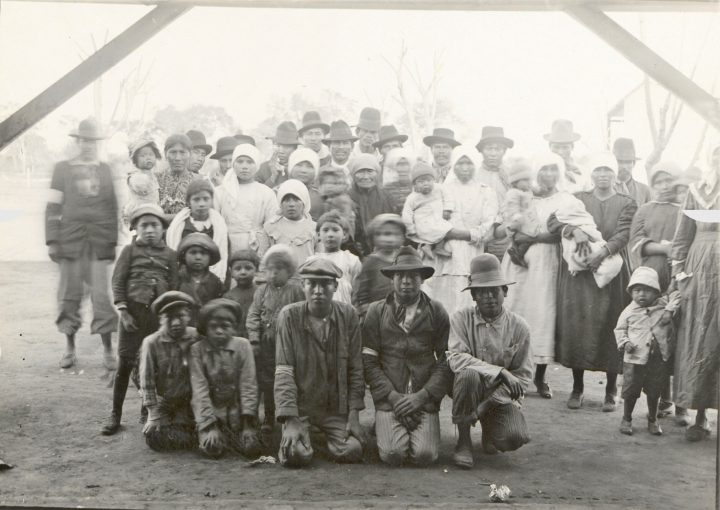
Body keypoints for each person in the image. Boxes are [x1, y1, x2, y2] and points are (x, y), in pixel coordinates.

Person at [548, 153, 637, 412]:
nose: (603, 175)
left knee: (611, 325)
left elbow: (625, 232)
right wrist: (573, 230)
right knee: (579, 327)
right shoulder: (577, 198)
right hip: (580, 271)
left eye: (607, 170)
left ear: (615, 173)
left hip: (611, 271)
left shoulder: (626, 202)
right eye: (598, 170)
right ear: (591, 173)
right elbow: (553, 220)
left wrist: (604, 251)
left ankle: (610, 390)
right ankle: (577, 387)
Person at [362, 247, 451, 466]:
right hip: (389, 397)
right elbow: (369, 362)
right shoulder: (376, 311)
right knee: (393, 454)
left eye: (413, 276)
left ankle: (403, 427)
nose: (406, 281)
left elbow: (445, 361)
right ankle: (383, 423)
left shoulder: (437, 311)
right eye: (400, 275)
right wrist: (393, 397)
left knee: (425, 455)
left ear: (422, 279)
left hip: (423, 398)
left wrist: (422, 397)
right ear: (392, 279)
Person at [274, 258, 365, 467]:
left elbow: (356, 369)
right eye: (312, 283)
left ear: (335, 286)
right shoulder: (289, 316)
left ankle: (318, 439)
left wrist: (353, 415)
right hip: (301, 408)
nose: (318, 291)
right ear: (302, 285)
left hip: (334, 409)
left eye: (325, 284)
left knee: (353, 450)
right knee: (296, 455)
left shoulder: (348, 315)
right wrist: (291, 419)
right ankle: (304, 435)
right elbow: (284, 371)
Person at [501, 154, 576, 398]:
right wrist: (516, 242)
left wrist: (530, 237)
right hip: (521, 262)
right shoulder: (524, 194)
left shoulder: (566, 199)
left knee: (543, 315)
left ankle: (540, 376)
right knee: (517, 311)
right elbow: (510, 221)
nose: (548, 175)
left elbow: (561, 232)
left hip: (548, 260)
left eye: (553, 169)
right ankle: (512, 375)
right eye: (543, 169)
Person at [46, 118, 119, 370]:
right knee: (69, 296)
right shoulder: (62, 169)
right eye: (85, 140)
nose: (88, 145)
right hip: (70, 242)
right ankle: (70, 348)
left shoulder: (105, 170)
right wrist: (53, 240)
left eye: (93, 141)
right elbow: (53, 207)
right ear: (78, 141)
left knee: (101, 297)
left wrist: (111, 243)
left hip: (98, 244)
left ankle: (108, 350)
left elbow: (112, 208)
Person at [447, 254, 532, 469]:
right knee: (468, 374)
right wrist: (500, 371)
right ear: (473, 295)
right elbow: (456, 358)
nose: (489, 297)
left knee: (514, 437)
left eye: (494, 290)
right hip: (467, 387)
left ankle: (489, 429)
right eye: (481, 291)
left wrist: (485, 407)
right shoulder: (460, 318)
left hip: (499, 397)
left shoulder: (519, 326)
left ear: (505, 291)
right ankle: (463, 441)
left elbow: (522, 377)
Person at [103, 204, 180, 436]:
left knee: (154, 364)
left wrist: (167, 319)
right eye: (144, 226)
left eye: (154, 225)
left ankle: (147, 408)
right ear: (135, 228)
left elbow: (174, 285)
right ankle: (115, 413)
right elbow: (118, 282)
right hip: (133, 316)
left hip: (158, 318)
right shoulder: (129, 251)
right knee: (125, 364)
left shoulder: (171, 255)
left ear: (163, 228)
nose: (149, 230)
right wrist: (124, 311)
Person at [671, 142, 720, 442]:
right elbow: (682, 236)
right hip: (701, 272)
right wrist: (679, 275)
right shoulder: (697, 192)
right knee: (701, 340)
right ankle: (700, 417)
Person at [424, 147, 500, 317]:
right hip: (445, 255)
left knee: (468, 301)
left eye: (469, 163)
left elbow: (488, 226)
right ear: (454, 165)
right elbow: (432, 221)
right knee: (443, 300)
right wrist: (447, 234)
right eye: (460, 163)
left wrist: (464, 234)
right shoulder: (441, 190)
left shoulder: (486, 191)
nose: (465, 167)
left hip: (472, 251)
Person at [189, 299, 261, 459]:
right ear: (205, 328)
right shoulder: (197, 350)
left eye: (225, 326)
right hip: (212, 413)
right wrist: (209, 427)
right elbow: (199, 390)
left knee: (252, 449)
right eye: (213, 326)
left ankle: (244, 429)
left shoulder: (243, 346)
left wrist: (248, 425)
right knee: (212, 449)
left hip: (239, 413)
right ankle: (209, 431)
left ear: (234, 327)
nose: (219, 331)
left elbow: (248, 384)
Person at [246, 245, 305, 434]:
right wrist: (254, 340)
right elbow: (253, 315)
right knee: (267, 381)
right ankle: (269, 417)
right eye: (269, 270)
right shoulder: (261, 291)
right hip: (266, 345)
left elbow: (302, 316)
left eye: (278, 270)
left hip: (288, 344)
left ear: (289, 271)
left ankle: (290, 416)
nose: (273, 274)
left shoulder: (296, 291)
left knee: (288, 378)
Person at [615, 267, 679, 436]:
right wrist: (625, 342)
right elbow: (619, 330)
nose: (642, 295)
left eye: (647, 290)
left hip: (657, 358)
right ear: (631, 292)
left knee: (654, 391)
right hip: (634, 359)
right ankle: (626, 418)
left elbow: (676, 295)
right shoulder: (629, 311)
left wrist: (669, 310)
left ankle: (652, 419)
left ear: (656, 292)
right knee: (631, 390)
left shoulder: (662, 304)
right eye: (637, 290)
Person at [139, 291, 198, 451]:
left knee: (190, 437)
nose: (176, 323)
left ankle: (182, 422)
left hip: (188, 399)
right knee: (155, 437)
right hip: (163, 400)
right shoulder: (151, 342)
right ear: (161, 319)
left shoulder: (195, 336)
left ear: (188, 316)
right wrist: (153, 414)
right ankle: (148, 415)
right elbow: (147, 380)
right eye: (169, 318)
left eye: (180, 316)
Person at [213, 144, 277, 256]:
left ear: (257, 164)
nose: (244, 166)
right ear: (234, 164)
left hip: (257, 246)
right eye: (240, 161)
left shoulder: (266, 193)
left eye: (249, 162)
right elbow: (215, 222)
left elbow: (272, 225)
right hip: (227, 245)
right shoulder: (220, 192)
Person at [166, 179, 229, 281]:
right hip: (184, 278)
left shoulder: (218, 227)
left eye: (206, 199)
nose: (201, 204)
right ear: (188, 202)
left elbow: (224, 256)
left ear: (212, 200)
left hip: (211, 278)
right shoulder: (180, 226)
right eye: (196, 199)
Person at [352, 214, 406, 317]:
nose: (389, 239)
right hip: (377, 312)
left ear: (402, 237)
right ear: (374, 237)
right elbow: (362, 289)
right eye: (384, 234)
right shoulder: (371, 262)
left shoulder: (404, 260)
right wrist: (365, 308)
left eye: (396, 234)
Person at [476, 126, 514, 261]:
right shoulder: (474, 176)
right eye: (489, 148)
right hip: (479, 235)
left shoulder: (512, 175)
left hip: (505, 236)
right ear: (482, 150)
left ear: (504, 151)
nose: (493, 153)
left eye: (497, 149)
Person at [402, 162, 454, 259]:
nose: (426, 184)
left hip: (437, 218)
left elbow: (448, 197)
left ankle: (435, 247)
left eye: (428, 180)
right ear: (414, 184)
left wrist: (447, 209)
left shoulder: (439, 188)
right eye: (421, 182)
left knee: (447, 228)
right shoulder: (412, 197)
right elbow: (406, 214)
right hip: (422, 222)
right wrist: (411, 229)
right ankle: (428, 246)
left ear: (434, 180)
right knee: (440, 230)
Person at [348, 154, 396, 255]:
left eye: (370, 171)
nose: (366, 177)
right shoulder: (346, 197)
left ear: (377, 173)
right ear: (353, 175)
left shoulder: (386, 197)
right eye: (360, 171)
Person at [310, 211, 361, 305]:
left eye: (335, 230)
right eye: (325, 230)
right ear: (318, 235)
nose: (330, 234)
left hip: (344, 308)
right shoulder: (312, 261)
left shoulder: (351, 260)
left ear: (344, 234)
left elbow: (357, 291)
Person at [264, 179, 317, 267]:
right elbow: (263, 260)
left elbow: (320, 259)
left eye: (296, 199)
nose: (291, 204)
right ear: (280, 204)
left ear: (304, 202)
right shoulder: (270, 227)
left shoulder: (314, 228)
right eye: (286, 200)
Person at [177, 233, 224, 321]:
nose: (198, 257)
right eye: (193, 252)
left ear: (210, 257)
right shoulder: (177, 279)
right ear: (184, 255)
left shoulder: (215, 282)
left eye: (203, 253)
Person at [157, 134, 200, 216]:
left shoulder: (198, 183)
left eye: (182, 152)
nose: (178, 158)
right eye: (173, 152)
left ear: (190, 154)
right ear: (165, 154)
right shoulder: (156, 180)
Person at [123, 138, 161, 227]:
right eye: (143, 156)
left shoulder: (153, 175)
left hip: (152, 209)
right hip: (139, 211)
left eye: (151, 154)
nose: (148, 158)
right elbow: (140, 185)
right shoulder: (137, 177)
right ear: (135, 161)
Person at [223, 249, 261, 338]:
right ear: (231, 272)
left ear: (256, 270)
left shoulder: (262, 293)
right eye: (238, 268)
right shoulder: (228, 297)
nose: (243, 272)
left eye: (248, 268)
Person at [544, 119, 585, 193]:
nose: (560, 152)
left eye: (565, 147)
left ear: (572, 147)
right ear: (549, 146)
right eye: (556, 147)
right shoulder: (542, 171)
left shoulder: (582, 171)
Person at [256, 121, 300, 188]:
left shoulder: (302, 169)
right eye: (278, 145)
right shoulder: (263, 168)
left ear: (295, 148)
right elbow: (257, 193)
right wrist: (273, 177)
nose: (281, 151)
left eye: (286, 146)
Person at [613, 138, 652, 207]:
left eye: (628, 162)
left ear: (634, 164)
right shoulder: (604, 189)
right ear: (613, 164)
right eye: (620, 162)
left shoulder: (644, 190)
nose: (624, 166)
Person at [287, 147, 324, 220]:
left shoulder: (321, 198)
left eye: (309, 167)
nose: (303, 170)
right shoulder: (276, 193)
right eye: (299, 165)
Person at [382, 147, 417, 211]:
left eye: (406, 164)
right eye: (399, 164)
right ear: (394, 166)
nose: (402, 168)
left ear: (410, 166)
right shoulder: (387, 188)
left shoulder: (417, 185)